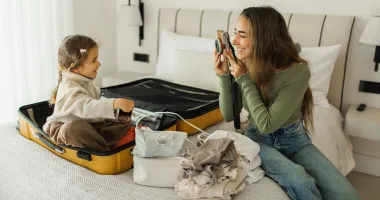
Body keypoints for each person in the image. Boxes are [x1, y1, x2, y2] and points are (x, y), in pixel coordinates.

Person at [214, 6, 360, 200]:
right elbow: (230, 116)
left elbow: (269, 122)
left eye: (243, 35)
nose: (234, 41)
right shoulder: (242, 65)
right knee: (299, 180)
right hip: (259, 139)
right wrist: (224, 76)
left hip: (295, 140)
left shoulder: (298, 72)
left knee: (347, 195)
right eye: (234, 34)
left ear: (264, 39)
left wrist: (244, 79)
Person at [43, 35, 135, 152]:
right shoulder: (68, 88)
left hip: (88, 123)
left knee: (114, 121)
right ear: (75, 68)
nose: (99, 64)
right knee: (74, 129)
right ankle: (106, 151)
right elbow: (86, 107)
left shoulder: (88, 84)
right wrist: (114, 103)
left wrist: (120, 115)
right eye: (94, 60)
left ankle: (126, 132)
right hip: (62, 128)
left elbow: (96, 113)